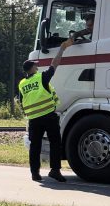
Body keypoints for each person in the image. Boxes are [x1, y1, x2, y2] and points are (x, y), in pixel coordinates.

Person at [19, 38, 73, 182]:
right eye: (35, 66)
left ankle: (35, 173)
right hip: (48, 116)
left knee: (34, 146)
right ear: (31, 69)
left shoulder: (22, 84)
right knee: (55, 143)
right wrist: (62, 48)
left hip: (33, 119)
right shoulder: (41, 78)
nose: (37, 68)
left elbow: (21, 101)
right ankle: (55, 170)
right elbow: (54, 65)